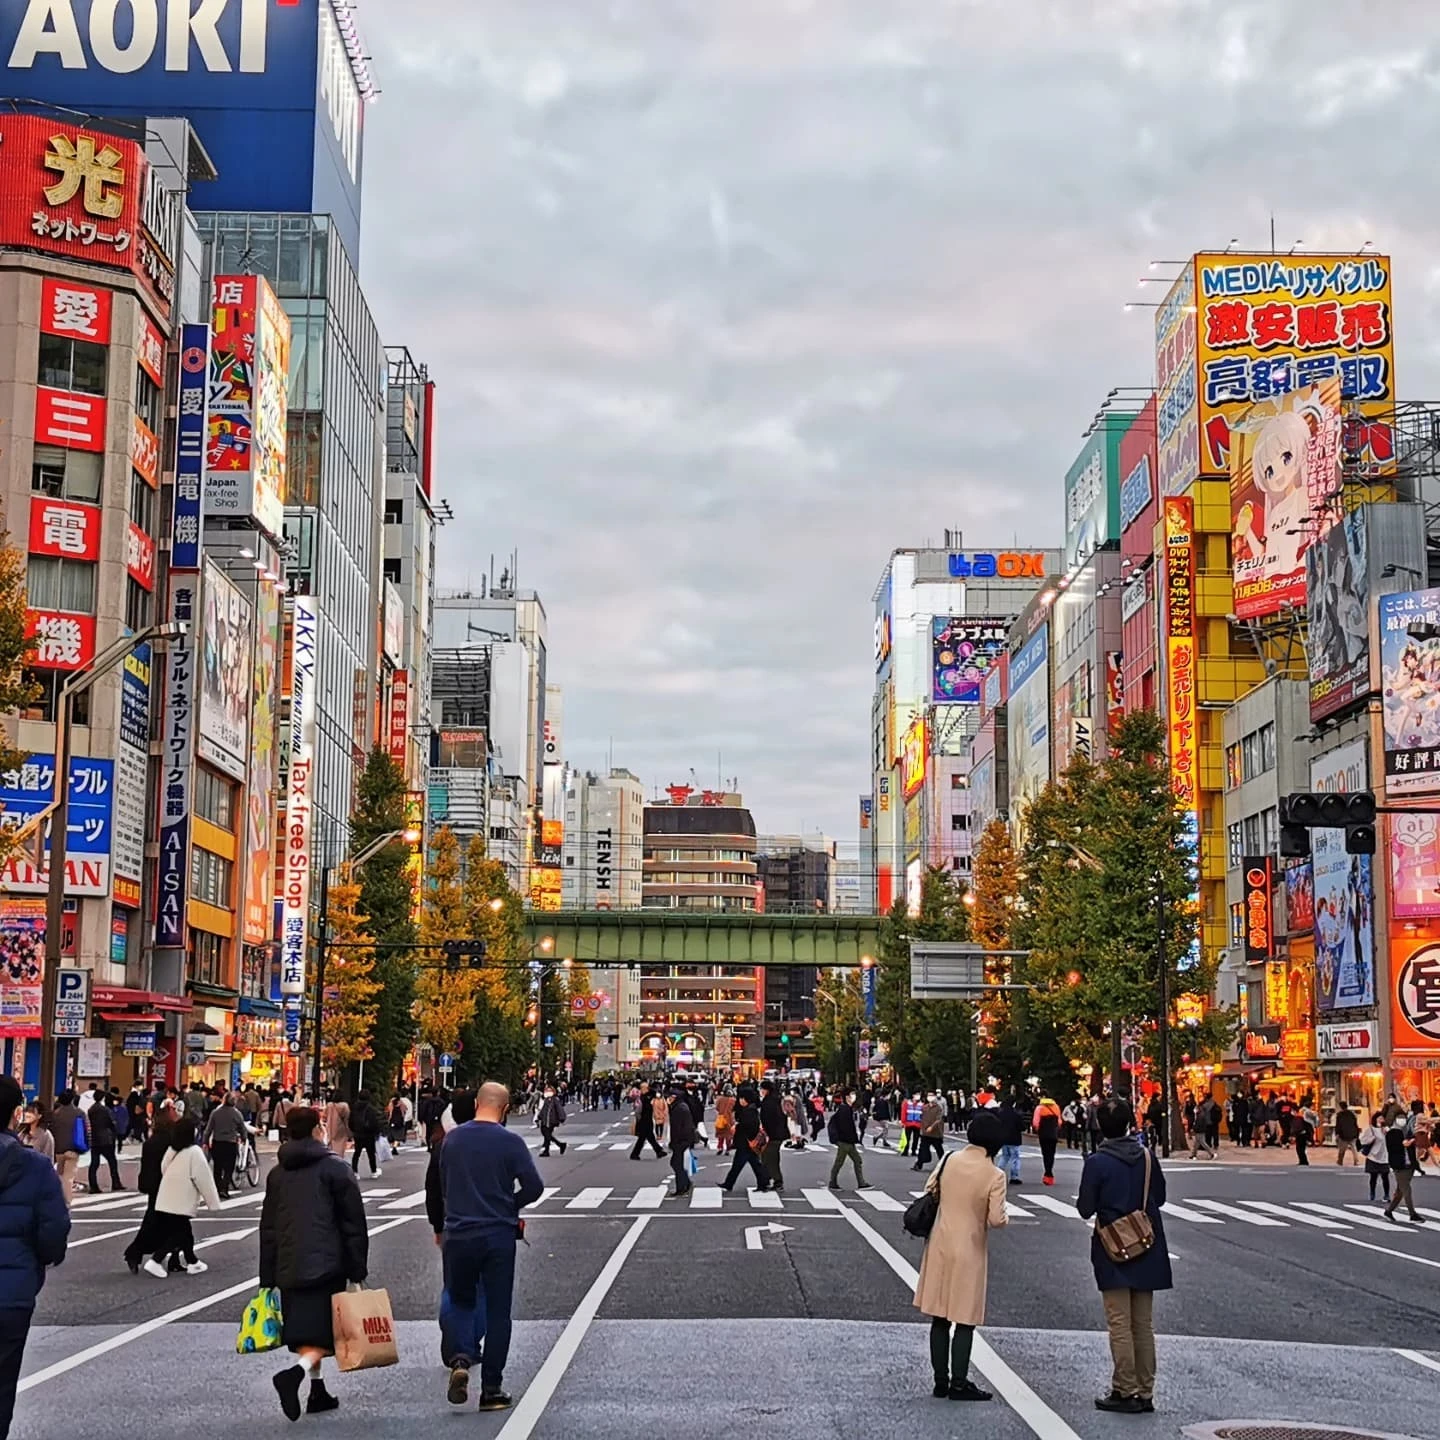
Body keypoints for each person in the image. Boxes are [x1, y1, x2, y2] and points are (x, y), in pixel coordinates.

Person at [438, 1082, 544, 1413]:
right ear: (505, 1108)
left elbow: (444, 1184)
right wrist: (509, 1204)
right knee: (498, 1311)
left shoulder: (453, 1140)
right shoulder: (510, 1142)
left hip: (458, 1231)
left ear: (476, 1105)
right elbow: (534, 1186)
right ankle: (492, 1389)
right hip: (497, 1232)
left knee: (460, 1300)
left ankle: (459, 1359)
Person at [260, 1105, 369, 1420]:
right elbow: (353, 1223)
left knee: (307, 1330)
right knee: (323, 1334)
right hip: (327, 1263)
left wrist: (267, 1275)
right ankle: (295, 1374)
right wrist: (357, 1269)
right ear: (316, 1129)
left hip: (289, 1264)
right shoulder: (335, 1169)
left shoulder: (278, 1173)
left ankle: (317, 1390)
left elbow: (268, 1227)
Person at [1077, 1097, 1171, 1415]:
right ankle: (1145, 1391)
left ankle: (1125, 1389)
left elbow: (1085, 1208)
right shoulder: (1145, 1156)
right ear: (1130, 1123)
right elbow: (1160, 1196)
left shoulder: (1097, 1162)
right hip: (1147, 1241)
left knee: (1119, 1322)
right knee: (1143, 1323)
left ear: (1101, 1127)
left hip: (1113, 1245)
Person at [912, 1110, 1007, 1402]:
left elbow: (931, 1188)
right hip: (970, 1247)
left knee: (939, 1316)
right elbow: (996, 1219)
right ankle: (959, 1381)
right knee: (964, 1317)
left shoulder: (949, 1159)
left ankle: (940, 1381)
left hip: (940, 1241)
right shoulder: (994, 1174)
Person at [0, 1075, 69, 1439]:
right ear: (15, 1115)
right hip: (12, 1292)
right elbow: (54, 1231)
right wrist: (41, 1260)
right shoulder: (34, 1166)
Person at [146, 1116, 221, 1277]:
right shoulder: (194, 1152)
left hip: (167, 1197)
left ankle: (192, 1261)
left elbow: (163, 1167)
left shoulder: (173, 1149)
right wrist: (213, 1203)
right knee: (178, 1233)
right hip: (182, 1199)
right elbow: (203, 1178)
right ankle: (156, 1260)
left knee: (184, 1232)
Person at [719, 1090, 769, 1193]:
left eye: (741, 1098)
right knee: (753, 1164)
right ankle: (763, 1183)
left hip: (745, 1142)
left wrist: (737, 1127)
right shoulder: (750, 1109)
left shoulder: (749, 1111)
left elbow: (749, 1126)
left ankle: (729, 1184)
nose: (740, 1100)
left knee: (740, 1165)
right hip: (747, 1143)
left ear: (745, 1099)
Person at [204, 1091, 247, 1198]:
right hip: (230, 1143)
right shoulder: (236, 1113)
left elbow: (208, 1129)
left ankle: (218, 1188)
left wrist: (205, 1141)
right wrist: (244, 1138)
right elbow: (242, 1128)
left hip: (217, 1142)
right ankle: (224, 1187)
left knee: (217, 1167)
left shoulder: (215, 1113)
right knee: (229, 1167)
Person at [1384, 1115, 1424, 1225]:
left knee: (1400, 1191)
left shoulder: (1408, 1131)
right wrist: (1403, 1145)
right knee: (1406, 1189)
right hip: (1399, 1165)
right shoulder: (1391, 1133)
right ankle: (1412, 1214)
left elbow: (1415, 1145)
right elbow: (1391, 1148)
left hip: (1409, 1164)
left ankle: (1389, 1211)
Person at [826, 1091, 870, 1191]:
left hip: (848, 1141)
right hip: (845, 1141)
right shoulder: (844, 1109)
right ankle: (833, 1182)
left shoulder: (846, 1109)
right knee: (840, 1162)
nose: (854, 1097)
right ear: (847, 1097)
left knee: (856, 1160)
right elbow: (845, 1127)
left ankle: (861, 1183)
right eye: (851, 1095)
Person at [47, 1091, 85, 1205]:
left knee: (59, 1174)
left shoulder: (55, 1114)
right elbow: (86, 1130)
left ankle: (58, 1197)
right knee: (68, 1177)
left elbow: (52, 1131)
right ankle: (66, 1201)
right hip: (73, 1148)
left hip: (58, 1149)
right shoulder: (79, 1113)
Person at [666, 1085, 696, 1197]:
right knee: (677, 1163)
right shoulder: (680, 1106)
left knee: (677, 1164)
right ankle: (686, 1184)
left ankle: (682, 1188)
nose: (669, 1099)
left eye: (671, 1097)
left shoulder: (679, 1109)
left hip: (681, 1140)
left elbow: (678, 1128)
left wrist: (674, 1142)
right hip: (684, 1139)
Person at [759, 1080, 787, 1193]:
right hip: (778, 1134)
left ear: (766, 1090)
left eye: (762, 1089)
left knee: (769, 1158)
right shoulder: (777, 1100)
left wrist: (766, 1133)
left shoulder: (768, 1102)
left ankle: (776, 1181)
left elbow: (767, 1119)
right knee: (770, 1157)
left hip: (772, 1135)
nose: (761, 1092)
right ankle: (768, 1179)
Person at [348, 1090, 383, 1177]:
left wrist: (354, 1130)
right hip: (368, 1134)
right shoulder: (370, 1108)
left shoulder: (354, 1108)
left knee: (357, 1153)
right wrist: (376, 1132)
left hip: (357, 1134)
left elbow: (350, 1121)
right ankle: (373, 1171)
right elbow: (374, 1122)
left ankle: (355, 1171)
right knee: (371, 1153)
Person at [629, 1082, 665, 1161]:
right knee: (643, 1138)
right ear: (641, 1088)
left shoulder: (648, 1095)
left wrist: (650, 1088)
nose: (647, 1089)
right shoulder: (641, 1098)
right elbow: (638, 1111)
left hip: (648, 1118)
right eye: (645, 1088)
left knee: (649, 1137)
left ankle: (658, 1151)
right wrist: (638, 1119)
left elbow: (657, 1092)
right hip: (643, 1120)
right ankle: (635, 1154)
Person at [1360, 1111, 1391, 1204]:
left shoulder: (1386, 1129)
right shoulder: (1371, 1129)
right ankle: (1372, 1192)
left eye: (1382, 1118)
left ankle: (1386, 1194)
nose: (1381, 1120)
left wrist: (1387, 1133)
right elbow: (1363, 1140)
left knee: (1385, 1176)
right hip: (1373, 1156)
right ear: (1375, 1119)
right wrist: (1371, 1139)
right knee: (1373, 1177)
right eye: (1380, 1118)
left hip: (1384, 1156)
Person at [1032, 1095, 1062, 1186]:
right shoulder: (1056, 1107)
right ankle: (1049, 1172)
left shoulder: (1039, 1108)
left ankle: (1047, 1173)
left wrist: (1037, 1129)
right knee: (1051, 1153)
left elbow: (1035, 1122)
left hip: (1044, 1133)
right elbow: (1060, 1122)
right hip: (1053, 1133)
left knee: (1045, 1153)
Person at [914, 1094, 946, 1171]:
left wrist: (932, 1127)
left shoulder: (938, 1108)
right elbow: (921, 1117)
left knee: (939, 1149)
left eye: (932, 1095)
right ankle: (919, 1164)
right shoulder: (925, 1107)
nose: (930, 1097)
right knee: (922, 1149)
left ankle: (944, 1164)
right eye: (929, 1095)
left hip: (936, 1133)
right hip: (925, 1132)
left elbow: (939, 1119)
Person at [997, 1095, 1024, 1185]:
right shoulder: (1016, 1114)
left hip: (1003, 1138)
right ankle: (1014, 1177)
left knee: (1004, 1156)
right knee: (1015, 1158)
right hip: (1014, 1138)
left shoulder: (1000, 1113)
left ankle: (998, 1174)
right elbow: (1022, 1127)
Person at [536, 1087, 567, 1158]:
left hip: (551, 1121)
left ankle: (555, 1147)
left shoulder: (555, 1100)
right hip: (545, 1120)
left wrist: (561, 1118)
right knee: (546, 1134)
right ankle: (559, 1145)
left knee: (547, 1134)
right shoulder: (547, 1100)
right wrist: (539, 1116)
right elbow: (544, 1109)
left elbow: (559, 1109)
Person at [323, 1091, 351, 1161]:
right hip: (341, 1129)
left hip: (330, 1128)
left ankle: (330, 1160)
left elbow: (324, 1117)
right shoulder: (345, 1106)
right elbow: (347, 1117)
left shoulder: (329, 1105)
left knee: (331, 1145)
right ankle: (338, 1160)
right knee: (340, 1146)